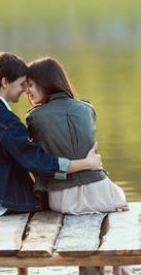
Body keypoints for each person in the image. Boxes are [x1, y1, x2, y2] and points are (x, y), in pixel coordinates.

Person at [0, 52, 103, 216]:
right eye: (21, 84)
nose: (25, 90)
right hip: (4, 203)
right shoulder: (6, 120)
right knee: (63, 198)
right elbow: (39, 163)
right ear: (5, 82)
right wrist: (87, 164)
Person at [25, 57, 128, 215]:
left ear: (45, 82)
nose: (27, 91)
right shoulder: (87, 108)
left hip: (65, 199)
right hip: (104, 194)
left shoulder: (35, 117)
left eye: (30, 85)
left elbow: (41, 164)